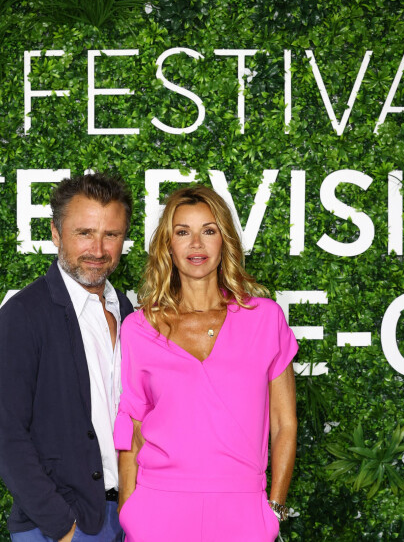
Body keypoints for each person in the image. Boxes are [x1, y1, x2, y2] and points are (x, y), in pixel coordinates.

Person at [114, 185, 297, 542]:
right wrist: (128, 511)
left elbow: (284, 423)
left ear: (224, 241)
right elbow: (132, 429)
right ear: (168, 246)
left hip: (242, 511)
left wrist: (273, 508)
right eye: (183, 232)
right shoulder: (140, 328)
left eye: (208, 231)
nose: (196, 245)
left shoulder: (265, 319)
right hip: (157, 509)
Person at [0, 173, 134, 542]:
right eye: (84, 233)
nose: (98, 249)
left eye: (111, 234)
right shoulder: (23, 314)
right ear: (56, 233)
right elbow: (7, 436)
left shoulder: (129, 311)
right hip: (61, 526)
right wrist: (62, 527)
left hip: (130, 516)